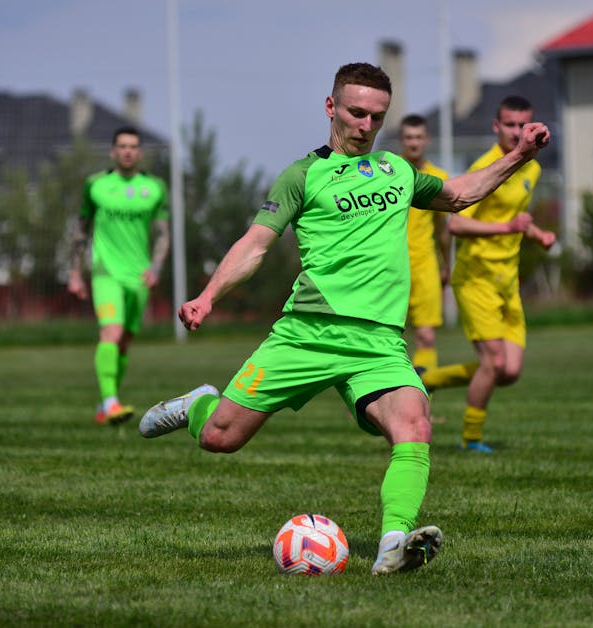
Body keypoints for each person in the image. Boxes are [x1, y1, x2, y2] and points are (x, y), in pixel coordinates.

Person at [138, 63, 550, 574]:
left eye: (377, 117)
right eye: (356, 112)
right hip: (308, 333)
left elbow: (460, 193)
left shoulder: (397, 171)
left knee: (415, 426)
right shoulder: (301, 176)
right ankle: (200, 404)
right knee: (221, 437)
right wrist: (207, 296)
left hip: (378, 343)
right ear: (331, 107)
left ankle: (393, 545)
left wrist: (519, 155)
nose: (365, 125)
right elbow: (254, 245)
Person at [418, 96, 556, 453]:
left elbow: (515, 219)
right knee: (493, 363)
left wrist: (536, 234)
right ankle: (471, 439)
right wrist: (509, 227)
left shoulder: (533, 168)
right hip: (475, 278)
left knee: (509, 372)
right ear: (496, 127)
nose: (516, 132)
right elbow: (458, 223)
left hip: (507, 282)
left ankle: (428, 379)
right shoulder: (485, 166)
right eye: (509, 124)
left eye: (523, 125)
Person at [68, 125, 170, 426]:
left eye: (133, 146)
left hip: (138, 277)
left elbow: (163, 234)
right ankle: (112, 402)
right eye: (122, 146)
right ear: (113, 151)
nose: (128, 151)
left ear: (139, 152)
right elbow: (81, 230)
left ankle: (105, 401)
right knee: (110, 333)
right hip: (105, 272)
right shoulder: (95, 185)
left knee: (124, 342)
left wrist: (156, 268)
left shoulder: (154, 188)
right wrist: (75, 273)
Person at [398, 114, 451, 376]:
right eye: (409, 137)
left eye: (419, 137)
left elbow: (444, 231)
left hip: (425, 266)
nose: (414, 142)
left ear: (427, 139)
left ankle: (424, 405)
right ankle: (375, 408)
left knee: (427, 338)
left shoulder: (438, 177)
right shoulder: (389, 174)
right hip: (388, 268)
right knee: (381, 339)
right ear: (401, 140)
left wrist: (447, 265)